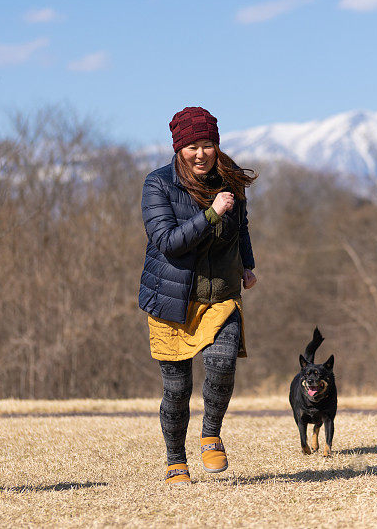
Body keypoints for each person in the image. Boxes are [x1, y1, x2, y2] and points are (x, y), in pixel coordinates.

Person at [139, 107, 257, 485]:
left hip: (221, 294)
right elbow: (169, 242)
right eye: (193, 146)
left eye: (207, 144)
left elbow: (242, 227)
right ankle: (175, 460)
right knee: (177, 389)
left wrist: (248, 265)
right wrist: (211, 214)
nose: (201, 153)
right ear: (178, 148)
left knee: (222, 367)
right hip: (172, 301)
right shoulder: (158, 185)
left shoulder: (230, 179)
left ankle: (211, 434)